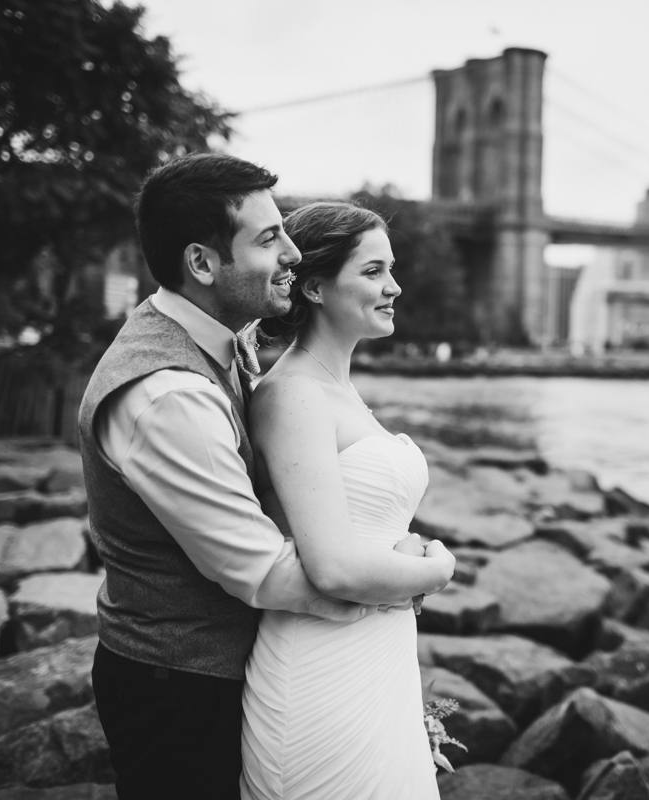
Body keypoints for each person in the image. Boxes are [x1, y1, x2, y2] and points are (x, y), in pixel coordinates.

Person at [76, 154, 455, 800]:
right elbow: (268, 570)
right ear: (202, 264)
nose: (291, 253)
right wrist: (425, 572)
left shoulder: (229, 343)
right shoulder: (168, 394)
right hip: (177, 682)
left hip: (253, 661)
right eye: (269, 237)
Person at [241, 202, 449, 799]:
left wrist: (399, 551)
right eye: (374, 271)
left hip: (374, 661)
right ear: (314, 285)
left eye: (392, 270)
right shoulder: (295, 395)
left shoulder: (337, 391)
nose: (395, 286)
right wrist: (435, 570)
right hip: (321, 672)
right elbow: (331, 566)